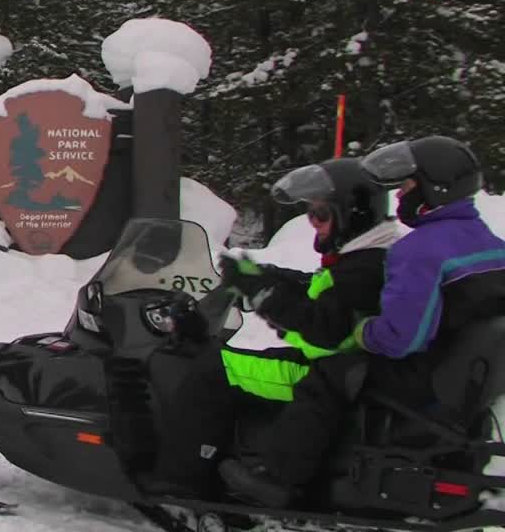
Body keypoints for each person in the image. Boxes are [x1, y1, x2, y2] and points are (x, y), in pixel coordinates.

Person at [220, 135, 505, 507]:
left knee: (331, 371)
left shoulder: (417, 249)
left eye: (406, 187)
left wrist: (363, 332)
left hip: (424, 377)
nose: (400, 198)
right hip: (463, 375)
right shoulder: (489, 242)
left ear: (437, 188)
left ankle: (278, 477)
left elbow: (401, 338)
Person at [144, 157, 399, 498]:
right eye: (310, 214)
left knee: (216, 366)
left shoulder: (363, 268)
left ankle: (181, 478)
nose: (314, 223)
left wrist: (264, 293)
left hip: (326, 370)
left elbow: (321, 330)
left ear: (352, 214)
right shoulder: (370, 255)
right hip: (342, 367)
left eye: (321, 214)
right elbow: (325, 300)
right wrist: (272, 278)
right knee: (248, 358)